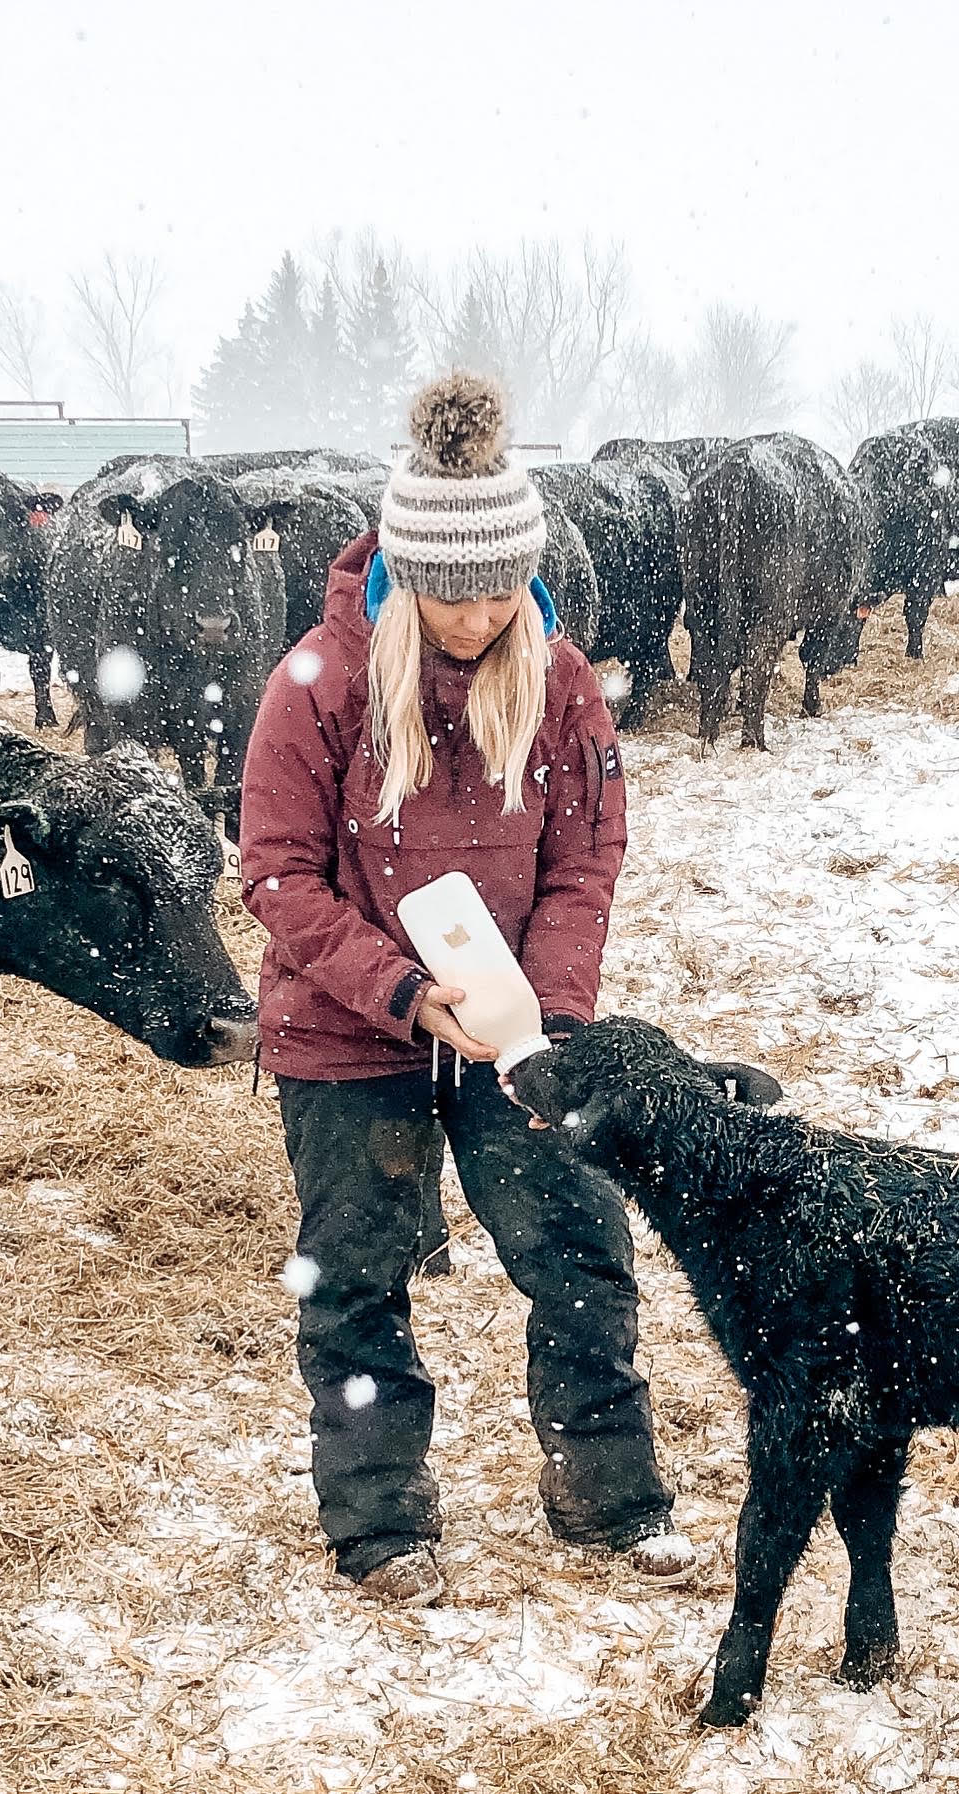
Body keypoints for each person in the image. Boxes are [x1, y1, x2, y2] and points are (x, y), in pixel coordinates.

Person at [239, 372, 693, 1606]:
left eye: (506, 585)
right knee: (358, 1273)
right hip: (351, 1038)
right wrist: (397, 989)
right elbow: (276, 875)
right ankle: (381, 1521)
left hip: (511, 1034)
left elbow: (586, 856)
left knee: (579, 1250)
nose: (484, 613)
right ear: (405, 571)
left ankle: (610, 1497)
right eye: (455, 588)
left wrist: (534, 1012)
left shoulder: (561, 678)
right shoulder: (319, 683)